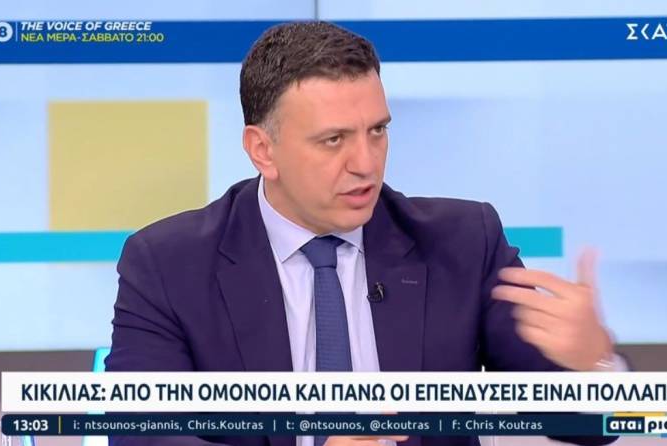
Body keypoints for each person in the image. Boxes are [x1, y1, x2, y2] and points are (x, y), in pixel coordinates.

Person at [106, 21, 620, 446]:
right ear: (263, 150)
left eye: (377, 131)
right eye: (334, 140)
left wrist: (593, 366)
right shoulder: (168, 264)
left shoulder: (464, 242)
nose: (366, 163)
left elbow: (588, 424)